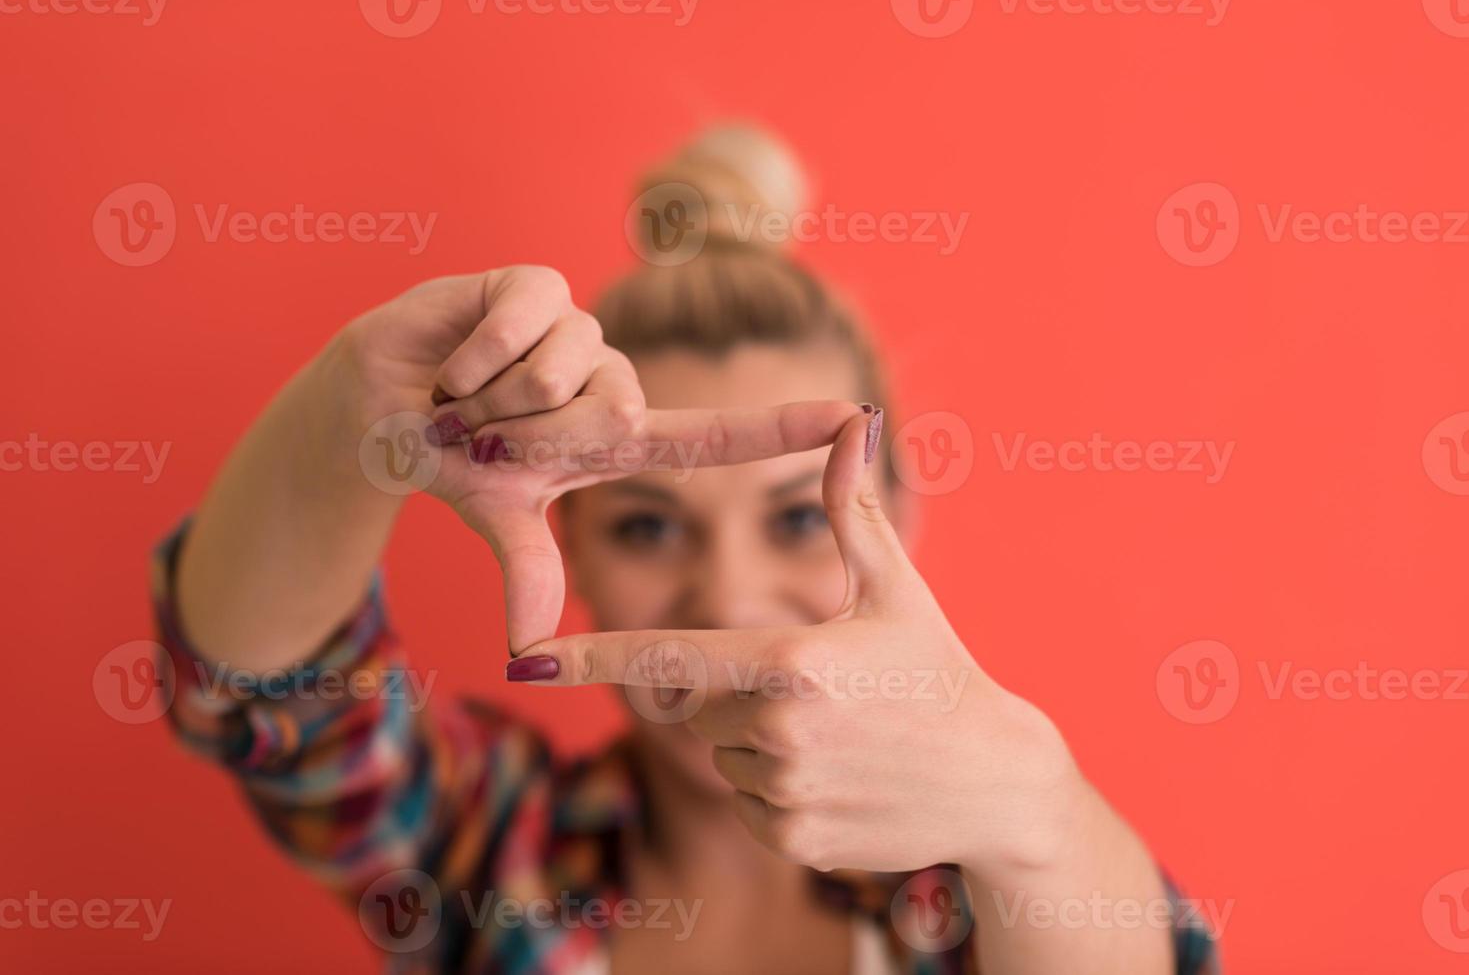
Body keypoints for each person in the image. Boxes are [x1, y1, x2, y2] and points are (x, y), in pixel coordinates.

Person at [153, 126, 1220, 974]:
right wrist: (351, 411)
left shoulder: (985, 900)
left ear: (902, 522)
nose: (728, 597)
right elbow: (262, 694)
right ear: (565, 544)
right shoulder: (495, 852)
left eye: (799, 517)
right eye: (648, 524)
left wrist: (1031, 813)